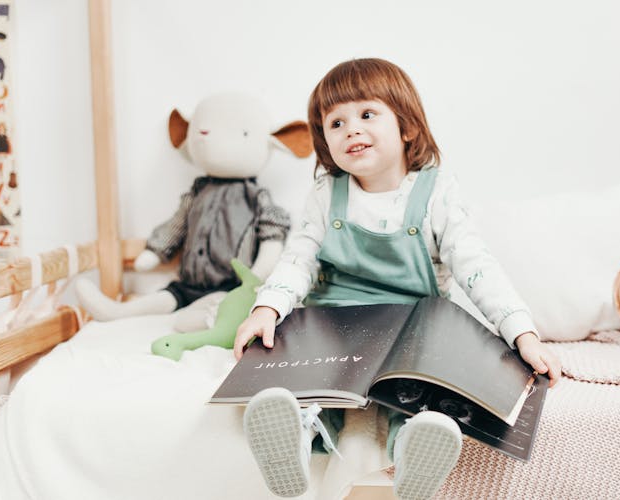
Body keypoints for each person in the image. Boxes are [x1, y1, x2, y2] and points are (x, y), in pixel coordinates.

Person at [234, 58, 562, 500]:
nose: (351, 129)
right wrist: (267, 308)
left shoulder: (437, 191)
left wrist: (523, 334)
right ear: (324, 141)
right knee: (315, 383)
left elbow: (475, 265)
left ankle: (413, 448)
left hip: (414, 326)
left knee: (416, 392)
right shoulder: (326, 195)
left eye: (367, 114)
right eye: (336, 122)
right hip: (338, 321)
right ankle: (295, 434)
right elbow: (298, 259)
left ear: (407, 127)